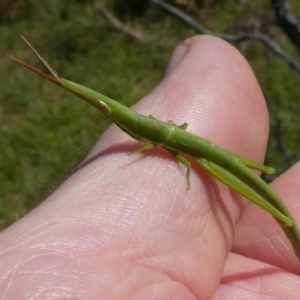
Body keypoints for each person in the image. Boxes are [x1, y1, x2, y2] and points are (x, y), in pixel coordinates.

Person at [0, 35, 299, 299]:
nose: (106, 110)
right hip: (181, 144)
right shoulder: (145, 131)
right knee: (277, 209)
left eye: (105, 108)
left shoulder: (151, 135)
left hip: (212, 158)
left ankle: (285, 220)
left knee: (277, 209)